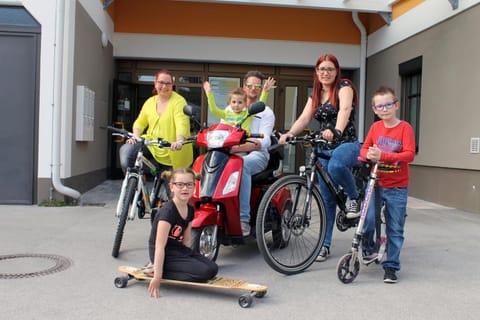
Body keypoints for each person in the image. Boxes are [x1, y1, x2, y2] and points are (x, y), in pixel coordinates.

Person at [278, 54, 361, 262]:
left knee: (336, 166)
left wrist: (337, 130)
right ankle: (324, 246)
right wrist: (289, 134)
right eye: (322, 69)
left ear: (336, 71)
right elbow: (305, 117)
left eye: (330, 69)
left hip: (346, 142)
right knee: (326, 199)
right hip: (323, 145)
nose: (325, 73)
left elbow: (344, 109)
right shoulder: (315, 94)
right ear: (316, 72)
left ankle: (354, 197)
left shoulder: (344, 86)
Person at [360, 86, 415, 283]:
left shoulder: (405, 128)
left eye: (388, 104)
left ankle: (391, 266)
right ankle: (369, 248)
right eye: (380, 106)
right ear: (374, 109)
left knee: (395, 227)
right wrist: (367, 154)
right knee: (368, 219)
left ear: (396, 105)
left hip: (397, 186)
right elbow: (365, 147)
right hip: (376, 183)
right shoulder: (375, 128)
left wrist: (384, 156)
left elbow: (409, 154)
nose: (384, 109)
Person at [147, 167, 218, 298]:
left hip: (178, 251)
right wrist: (157, 278)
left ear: (194, 187)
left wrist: (188, 258)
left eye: (189, 185)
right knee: (204, 272)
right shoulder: (167, 212)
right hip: (164, 253)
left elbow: (185, 241)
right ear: (171, 187)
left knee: (213, 268)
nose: (185, 188)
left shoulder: (190, 209)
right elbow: (159, 246)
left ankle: (167, 269)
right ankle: (157, 270)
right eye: (180, 185)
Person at [119, 69, 193, 174]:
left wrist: (179, 141)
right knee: (127, 151)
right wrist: (135, 136)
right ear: (155, 83)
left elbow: (182, 123)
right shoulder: (150, 102)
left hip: (173, 152)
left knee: (173, 189)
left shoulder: (179, 101)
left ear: (172, 85)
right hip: (152, 146)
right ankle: (134, 184)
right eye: (161, 83)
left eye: (168, 83)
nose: (164, 86)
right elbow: (140, 122)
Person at [231, 71, 275, 236]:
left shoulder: (266, 112)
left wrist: (239, 148)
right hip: (233, 151)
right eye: (250, 85)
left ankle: (243, 219)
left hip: (258, 155)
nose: (253, 89)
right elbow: (222, 128)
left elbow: (265, 141)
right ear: (244, 86)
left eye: (257, 86)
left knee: (242, 166)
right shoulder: (232, 107)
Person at [203, 77, 276, 132]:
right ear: (230, 103)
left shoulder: (248, 114)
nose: (236, 105)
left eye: (240, 102)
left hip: (242, 145)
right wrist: (209, 93)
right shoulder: (226, 113)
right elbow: (214, 109)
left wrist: (265, 91)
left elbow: (260, 104)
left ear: (245, 104)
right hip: (227, 144)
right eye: (234, 102)